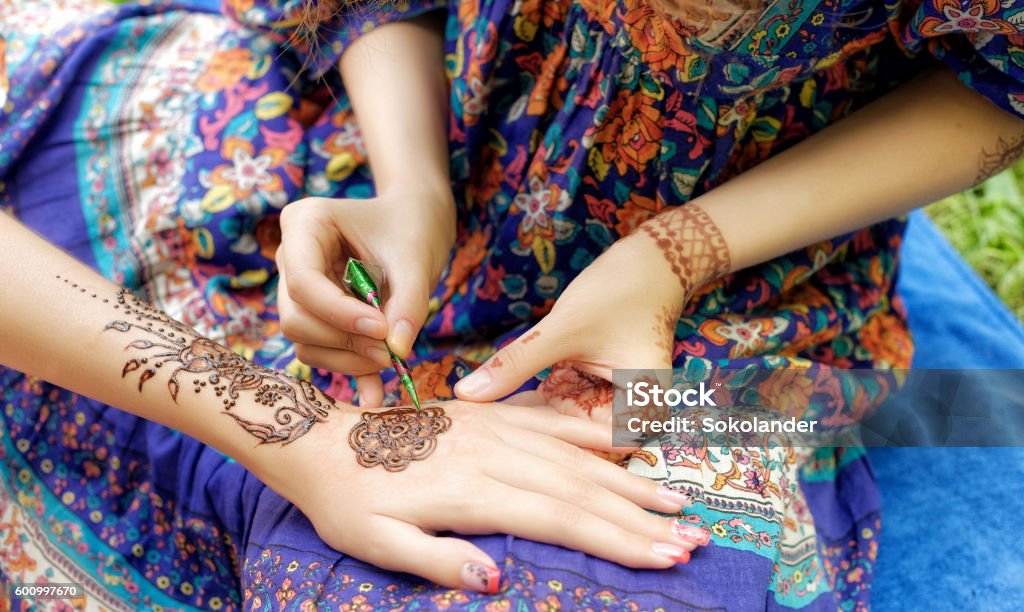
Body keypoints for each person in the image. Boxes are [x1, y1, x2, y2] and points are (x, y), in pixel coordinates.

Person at [1, 0, 1022, 610]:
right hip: (392, 150)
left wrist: (672, 257)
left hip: (736, 286)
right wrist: (411, 191)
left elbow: (1003, 73)